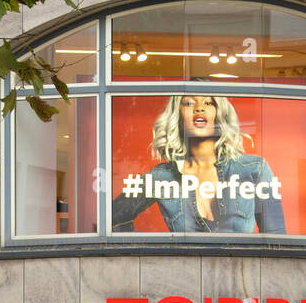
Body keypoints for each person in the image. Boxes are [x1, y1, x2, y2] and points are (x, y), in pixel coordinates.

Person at [112, 95, 286, 234]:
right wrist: (139, 255)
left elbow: (276, 239)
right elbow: (111, 218)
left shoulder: (254, 169)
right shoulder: (161, 177)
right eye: (188, 103)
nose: (199, 108)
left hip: (240, 275)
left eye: (208, 103)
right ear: (177, 117)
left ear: (219, 114)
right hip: (184, 276)